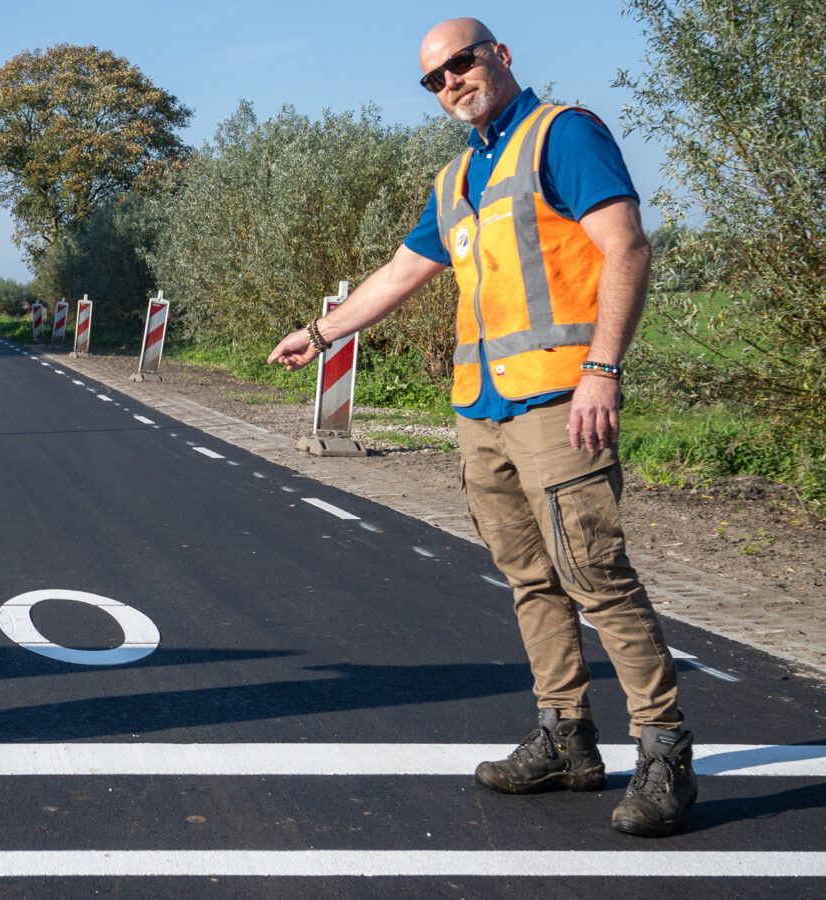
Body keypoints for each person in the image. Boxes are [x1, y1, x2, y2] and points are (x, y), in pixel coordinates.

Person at [267, 18, 697, 837]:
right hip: (483, 412)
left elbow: (627, 248)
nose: (450, 83)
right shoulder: (456, 178)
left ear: (500, 55)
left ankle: (665, 748)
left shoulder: (560, 136)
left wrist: (602, 370)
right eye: (433, 78)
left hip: (560, 403)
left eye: (460, 64)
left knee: (595, 576)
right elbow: (401, 273)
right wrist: (319, 334)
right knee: (530, 580)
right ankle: (566, 737)